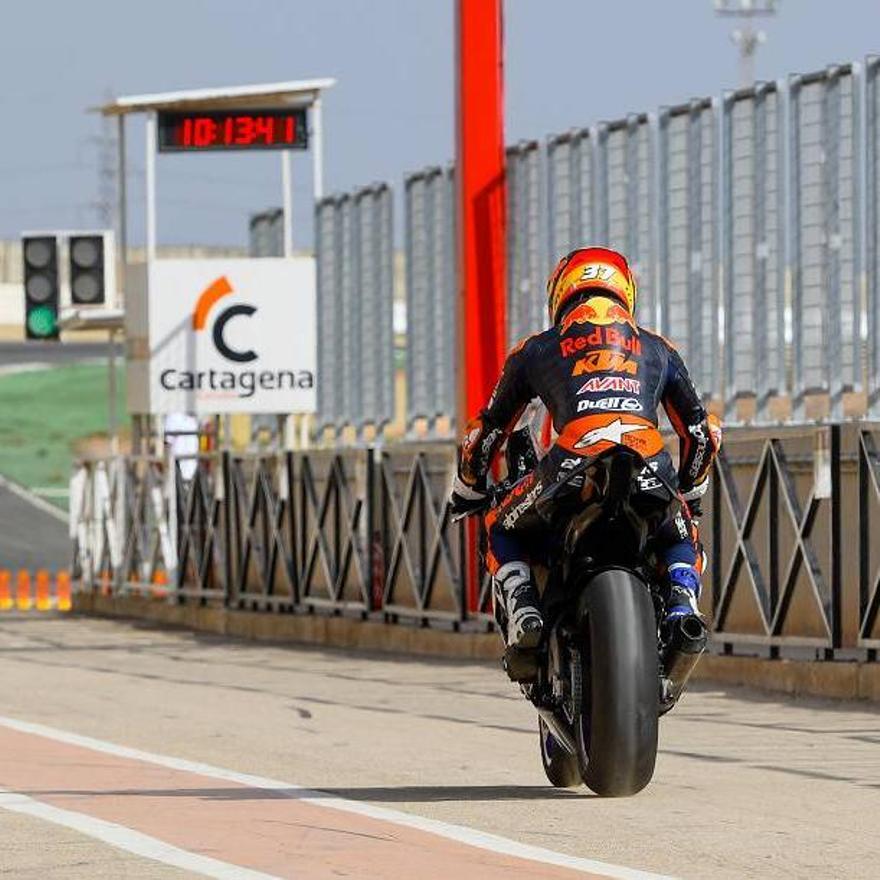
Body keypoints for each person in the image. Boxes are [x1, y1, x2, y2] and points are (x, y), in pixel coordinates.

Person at [449, 246, 721, 649]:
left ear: (561, 293)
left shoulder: (536, 348)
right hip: (650, 464)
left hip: (568, 466)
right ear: (625, 291)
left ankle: (524, 607)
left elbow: (485, 433)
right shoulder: (659, 347)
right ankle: (683, 605)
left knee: (498, 525)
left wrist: (468, 486)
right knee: (681, 533)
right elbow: (703, 432)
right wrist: (690, 490)